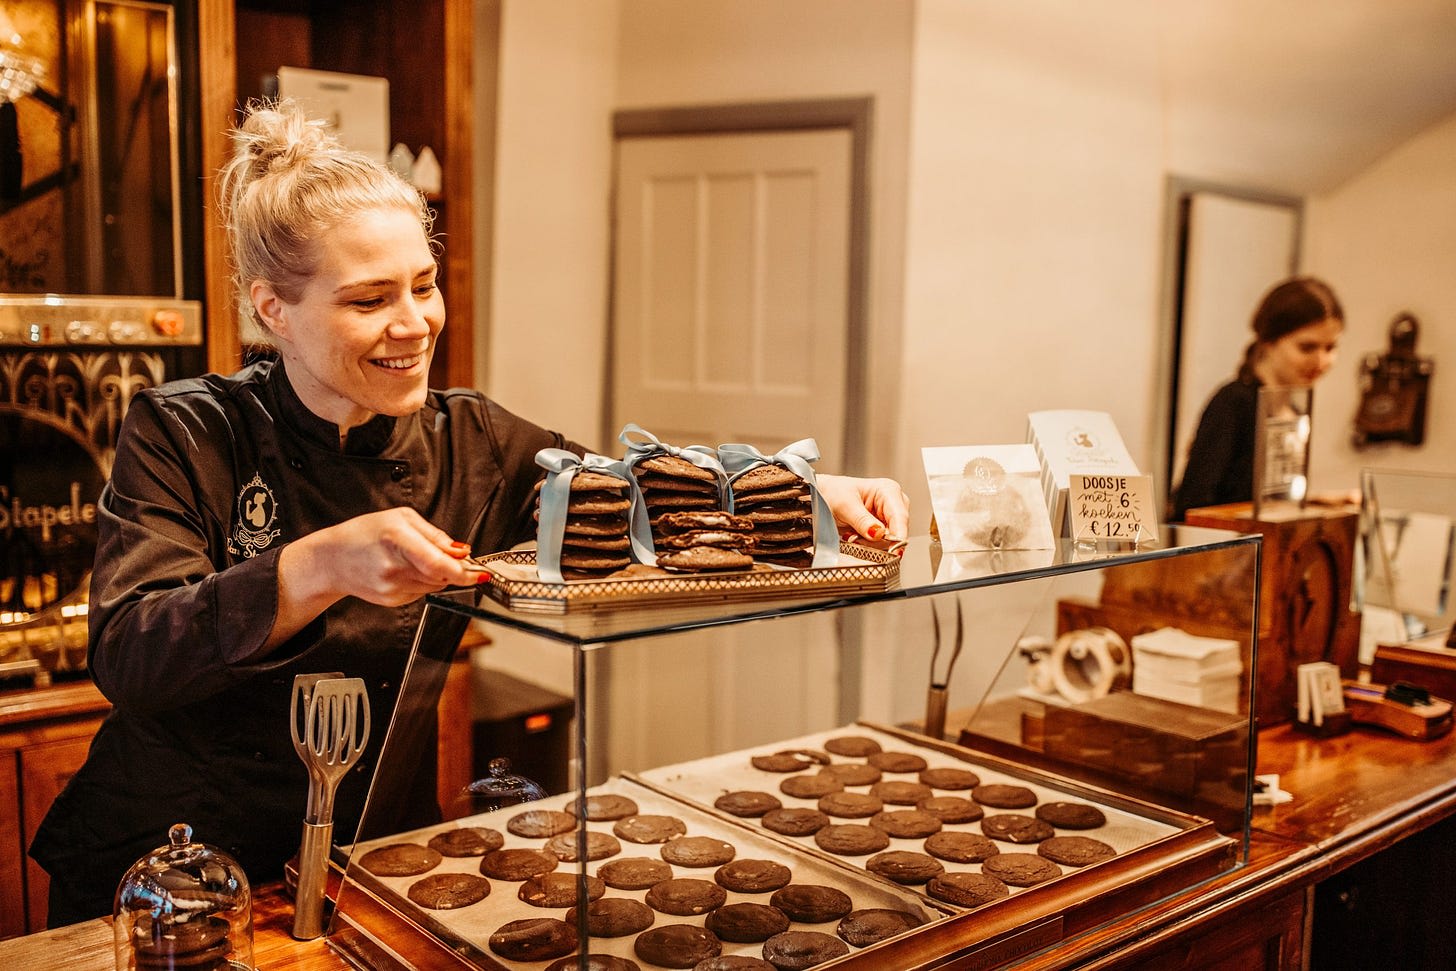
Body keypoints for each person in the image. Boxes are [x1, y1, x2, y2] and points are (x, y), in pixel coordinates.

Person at [29, 99, 910, 926]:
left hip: (369, 851)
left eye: (424, 284)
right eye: (369, 299)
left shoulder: (471, 437)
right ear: (274, 311)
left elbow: (630, 494)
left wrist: (805, 495)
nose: (414, 322)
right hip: (173, 873)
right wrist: (320, 564)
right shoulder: (187, 428)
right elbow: (131, 652)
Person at [1171, 276, 1344, 520]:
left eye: (1330, 348)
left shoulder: (1294, 409)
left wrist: (1317, 503)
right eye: (1307, 347)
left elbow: (1270, 502)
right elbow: (1191, 505)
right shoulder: (1234, 402)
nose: (1322, 361)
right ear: (1269, 341)